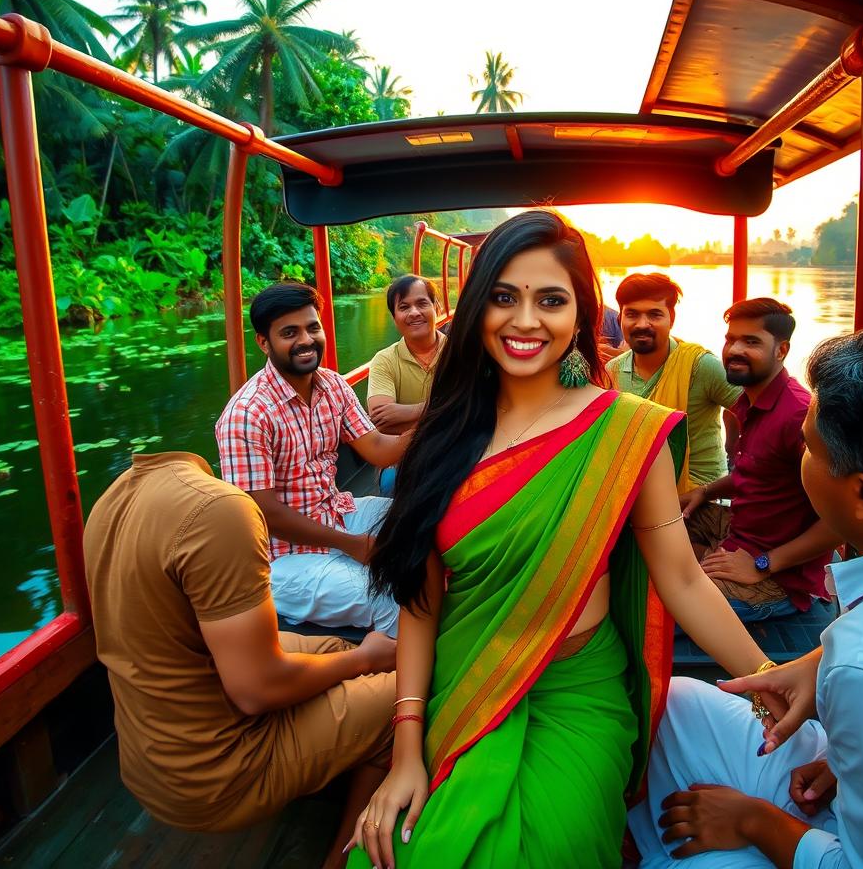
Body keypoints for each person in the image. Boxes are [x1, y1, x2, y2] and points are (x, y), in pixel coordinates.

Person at [345, 211, 784, 869]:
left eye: (550, 300)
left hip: (577, 694)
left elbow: (685, 580)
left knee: (550, 850)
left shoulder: (624, 433)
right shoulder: (441, 437)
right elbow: (420, 603)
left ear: (582, 315)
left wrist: (766, 676)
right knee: (405, 851)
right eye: (503, 297)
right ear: (475, 309)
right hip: (467, 683)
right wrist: (405, 752)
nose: (525, 321)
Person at [630, 328, 863, 868]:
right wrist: (822, 672)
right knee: (678, 704)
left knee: (694, 858)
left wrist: (752, 821)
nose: (799, 453)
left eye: (808, 446)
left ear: (862, 495)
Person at [83, 452, 397, 869]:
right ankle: (341, 858)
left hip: (146, 758)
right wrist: (367, 658)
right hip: (217, 777)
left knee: (333, 650)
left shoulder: (113, 497)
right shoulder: (223, 511)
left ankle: (334, 745)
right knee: (401, 693)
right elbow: (256, 690)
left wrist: (355, 657)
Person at [216, 282, 410, 637]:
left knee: (421, 522)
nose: (306, 340)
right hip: (282, 559)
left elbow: (379, 448)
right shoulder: (247, 415)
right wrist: (352, 545)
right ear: (264, 342)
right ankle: (404, 679)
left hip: (335, 515)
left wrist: (440, 421)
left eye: (312, 327)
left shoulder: (332, 386)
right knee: (388, 595)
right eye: (290, 333)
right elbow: (264, 515)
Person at [680, 298, 837, 621]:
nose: (735, 349)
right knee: (656, 520)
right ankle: (704, 560)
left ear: (781, 351)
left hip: (776, 578)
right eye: (730, 339)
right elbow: (759, 474)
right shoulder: (749, 400)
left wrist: (762, 563)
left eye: (751, 342)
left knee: (651, 604)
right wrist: (706, 491)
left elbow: (840, 522)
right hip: (740, 530)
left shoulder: (798, 416)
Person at [607, 272, 741, 491]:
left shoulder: (700, 366)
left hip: (700, 497)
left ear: (671, 319)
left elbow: (755, 413)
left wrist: (735, 451)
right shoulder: (611, 372)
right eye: (632, 314)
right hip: (636, 495)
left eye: (654, 315)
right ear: (620, 318)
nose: (642, 324)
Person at [368, 276, 447, 493]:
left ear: (436, 308)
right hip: (403, 454)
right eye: (404, 307)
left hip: (453, 446)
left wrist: (409, 412)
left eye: (422, 303)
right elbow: (381, 421)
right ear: (395, 318)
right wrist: (447, 409)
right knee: (391, 484)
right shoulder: (385, 360)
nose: (414, 312)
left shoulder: (457, 352)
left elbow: (473, 407)